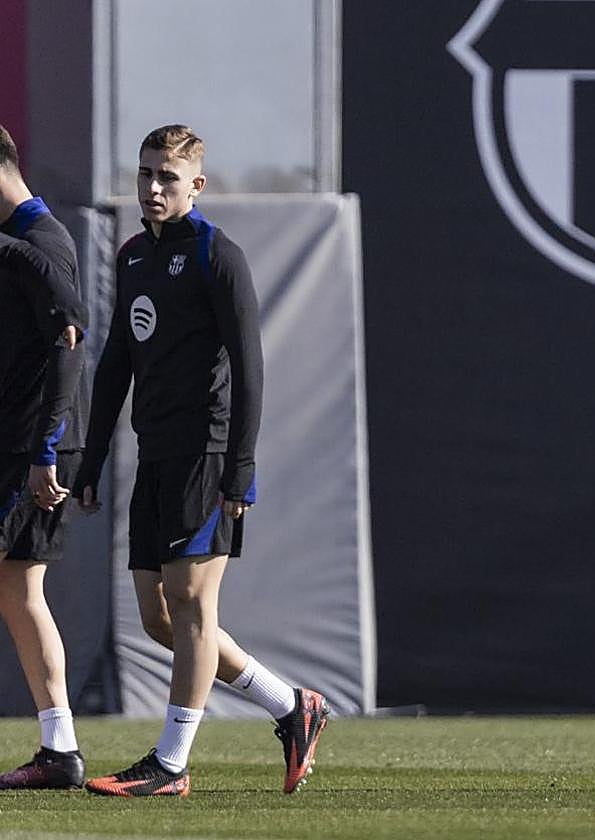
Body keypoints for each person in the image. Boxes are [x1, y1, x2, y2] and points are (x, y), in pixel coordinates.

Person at [74, 125, 329, 797]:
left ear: (196, 185)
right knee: (160, 618)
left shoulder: (218, 255)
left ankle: (170, 764)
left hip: (206, 455)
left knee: (191, 605)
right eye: (146, 174)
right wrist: (92, 458)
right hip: (153, 456)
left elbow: (250, 369)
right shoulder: (132, 257)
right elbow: (116, 364)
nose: (153, 187)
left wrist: (239, 470)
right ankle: (289, 704)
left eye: (167, 176)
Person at [0, 124, 90, 790]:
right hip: (22, 443)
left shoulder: (43, 241)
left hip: (31, 449)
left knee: (21, 591)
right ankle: (59, 751)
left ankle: (62, 750)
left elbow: (69, 346)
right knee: (19, 591)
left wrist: (46, 452)